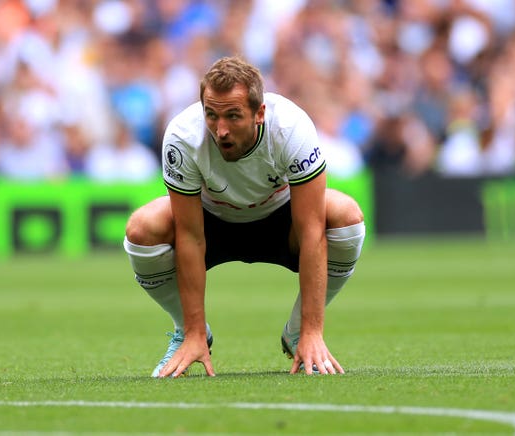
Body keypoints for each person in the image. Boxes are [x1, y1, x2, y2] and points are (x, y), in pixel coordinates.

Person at [123, 56, 365, 378]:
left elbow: (310, 232)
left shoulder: (291, 127)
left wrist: (312, 329)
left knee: (348, 218)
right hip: (212, 219)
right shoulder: (182, 136)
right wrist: (195, 329)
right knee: (141, 230)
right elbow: (191, 236)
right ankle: (189, 333)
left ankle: (298, 335)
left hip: (280, 217)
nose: (220, 130)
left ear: (259, 113)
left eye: (233, 116)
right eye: (212, 115)